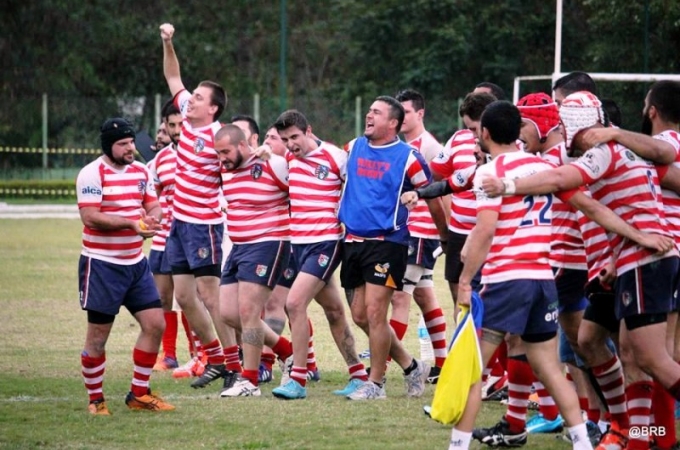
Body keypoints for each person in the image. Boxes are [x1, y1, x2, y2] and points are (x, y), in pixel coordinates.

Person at [481, 92, 679, 450]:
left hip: (643, 260)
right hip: (627, 261)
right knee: (598, 343)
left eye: (567, 122)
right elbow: (598, 201)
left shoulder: (601, 151)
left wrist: (507, 185)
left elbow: (560, 182)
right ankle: (634, 436)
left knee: (651, 357)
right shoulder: (635, 148)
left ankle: (653, 437)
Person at [445, 101, 593, 450]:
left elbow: (485, 229)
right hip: (543, 278)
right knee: (550, 367)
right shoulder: (541, 165)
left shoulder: (490, 173)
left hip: (507, 278)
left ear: (484, 133)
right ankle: (583, 443)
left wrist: (465, 280)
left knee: (473, 369)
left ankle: (457, 445)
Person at [580, 80, 680, 450]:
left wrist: (614, 141)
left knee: (654, 358)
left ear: (651, 110)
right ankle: (651, 438)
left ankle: (656, 439)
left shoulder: (660, 148)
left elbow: (660, 167)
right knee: (640, 354)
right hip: (644, 257)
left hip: (658, 256)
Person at [338, 95, 447, 400]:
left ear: (393, 123)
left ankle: (376, 384)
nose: (369, 116)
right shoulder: (353, 147)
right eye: (369, 111)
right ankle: (411, 365)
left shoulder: (409, 157)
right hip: (353, 242)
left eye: (376, 112)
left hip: (388, 243)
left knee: (375, 312)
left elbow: (432, 193)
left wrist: (444, 233)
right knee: (360, 315)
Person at [160, 23, 241, 389]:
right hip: (179, 223)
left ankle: (235, 365)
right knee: (183, 297)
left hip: (204, 225)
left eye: (197, 99)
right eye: (190, 98)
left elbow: (244, 161)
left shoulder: (219, 136)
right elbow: (173, 75)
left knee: (211, 297)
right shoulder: (187, 114)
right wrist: (168, 42)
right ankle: (216, 357)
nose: (189, 100)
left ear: (213, 109)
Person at [267, 110, 368, 400]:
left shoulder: (336, 158)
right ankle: (358, 374)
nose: (291, 145)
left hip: (326, 243)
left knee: (294, 303)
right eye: (285, 140)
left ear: (309, 131)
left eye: (295, 137)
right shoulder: (287, 159)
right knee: (335, 311)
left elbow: (357, 190)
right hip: (298, 244)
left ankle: (298, 378)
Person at [77, 117, 174, 414]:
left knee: (155, 324)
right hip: (102, 266)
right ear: (109, 146)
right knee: (97, 337)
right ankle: (96, 400)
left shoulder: (141, 171)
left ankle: (139, 394)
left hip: (136, 265)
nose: (130, 148)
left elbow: (151, 204)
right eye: (123, 144)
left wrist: (153, 217)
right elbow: (91, 217)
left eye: (131, 142)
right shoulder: (92, 173)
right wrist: (132, 224)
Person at [216, 124, 295, 397]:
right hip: (239, 247)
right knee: (228, 313)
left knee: (249, 312)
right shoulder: (225, 170)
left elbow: (302, 179)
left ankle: (249, 380)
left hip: (269, 242)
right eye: (218, 153)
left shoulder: (272, 163)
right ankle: (289, 352)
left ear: (242, 145)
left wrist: (273, 154)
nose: (221, 158)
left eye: (225, 151)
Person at [392, 89, 449, 383]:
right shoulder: (403, 145)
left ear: (421, 114)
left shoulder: (428, 147)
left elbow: (443, 191)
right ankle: (443, 364)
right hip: (411, 230)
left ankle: (388, 364)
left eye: (407, 112)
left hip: (421, 231)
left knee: (399, 296)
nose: (402, 117)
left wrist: (445, 233)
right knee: (425, 296)